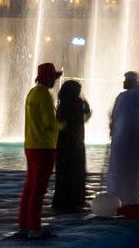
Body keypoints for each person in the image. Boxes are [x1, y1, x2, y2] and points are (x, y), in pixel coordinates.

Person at [18, 62, 63, 240]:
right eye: (53, 78)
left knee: (29, 188)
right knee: (39, 189)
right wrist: (63, 124)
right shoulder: (44, 95)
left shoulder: (32, 93)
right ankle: (35, 229)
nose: (55, 81)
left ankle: (24, 225)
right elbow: (48, 124)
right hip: (43, 147)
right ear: (48, 78)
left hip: (30, 145)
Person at [105, 71, 139, 205]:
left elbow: (113, 119)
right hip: (134, 141)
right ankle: (131, 199)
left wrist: (112, 132)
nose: (123, 82)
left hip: (120, 142)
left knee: (119, 170)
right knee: (132, 171)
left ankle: (117, 198)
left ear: (131, 82)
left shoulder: (122, 97)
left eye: (125, 80)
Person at [51, 79, 91, 212]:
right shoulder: (79, 104)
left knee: (63, 172)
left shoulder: (61, 106)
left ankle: (62, 200)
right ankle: (76, 200)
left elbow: (59, 125)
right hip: (77, 144)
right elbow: (87, 116)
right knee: (77, 172)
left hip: (63, 144)